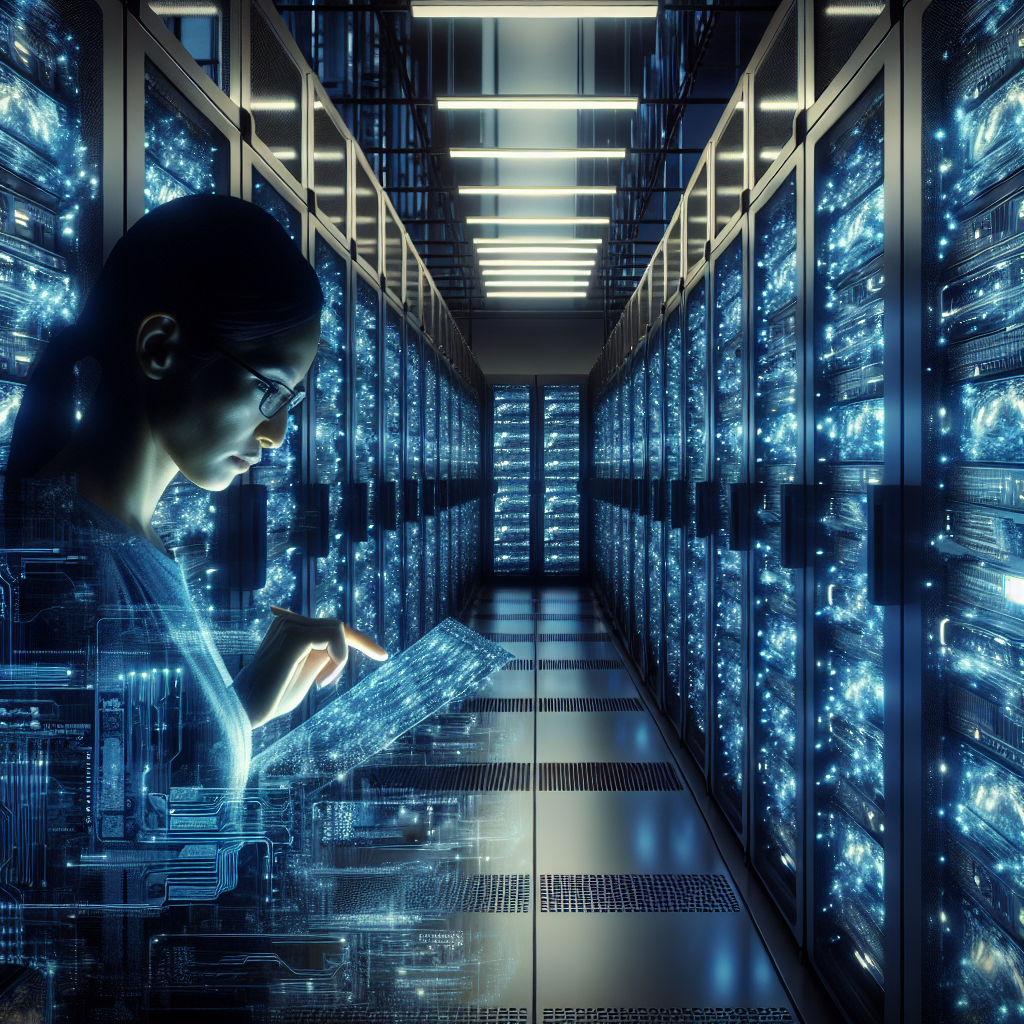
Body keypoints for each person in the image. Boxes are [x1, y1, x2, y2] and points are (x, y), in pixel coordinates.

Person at [2, 194, 386, 803]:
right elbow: (99, 870)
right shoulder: (67, 571)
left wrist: (236, 711)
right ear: (161, 347)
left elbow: (140, 776)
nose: (277, 435)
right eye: (271, 392)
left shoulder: (129, 541)